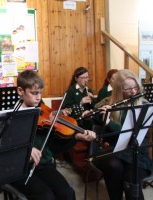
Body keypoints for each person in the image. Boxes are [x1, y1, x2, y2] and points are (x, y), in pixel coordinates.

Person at [11, 70, 96, 200]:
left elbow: (54, 148)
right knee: (46, 196)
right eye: (34, 93)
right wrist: (26, 150)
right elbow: (6, 149)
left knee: (67, 193)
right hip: (19, 169)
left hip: (42, 165)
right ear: (20, 91)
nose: (39, 97)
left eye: (40, 92)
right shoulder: (12, 117)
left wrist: (76, 137)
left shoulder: (43, 112)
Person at [95, 69, 153, 200]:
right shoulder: (112, 104)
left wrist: (109, 122)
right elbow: (102, 131)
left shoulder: (144, 106)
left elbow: (130, 135)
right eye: (128, 89)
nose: (133, 91)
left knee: (129, 179)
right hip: (115, 150)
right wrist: (99, 116)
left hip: (137, 152)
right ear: (119, 90)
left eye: (135, 87)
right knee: (113, 166)